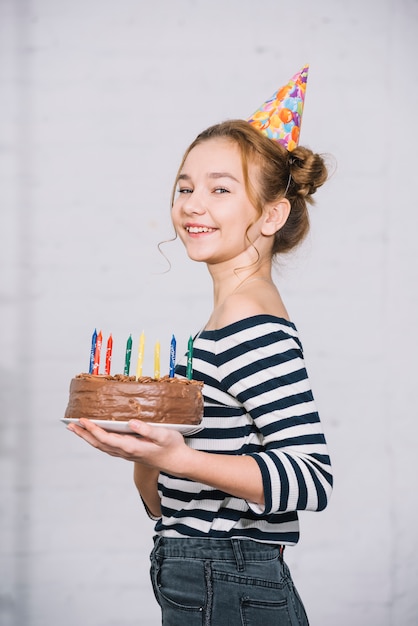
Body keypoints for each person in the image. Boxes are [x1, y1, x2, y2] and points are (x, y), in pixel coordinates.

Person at [68, 67, 333, 625]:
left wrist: (178, 457)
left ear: (270, 214)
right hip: (198, 571)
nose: (192, 204)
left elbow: (311, 478)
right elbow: (174, 502)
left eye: (219, 189)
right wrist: (144, 456)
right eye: (185, 187)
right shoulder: (217, 326)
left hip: (232, 577)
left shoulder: (253, 324)